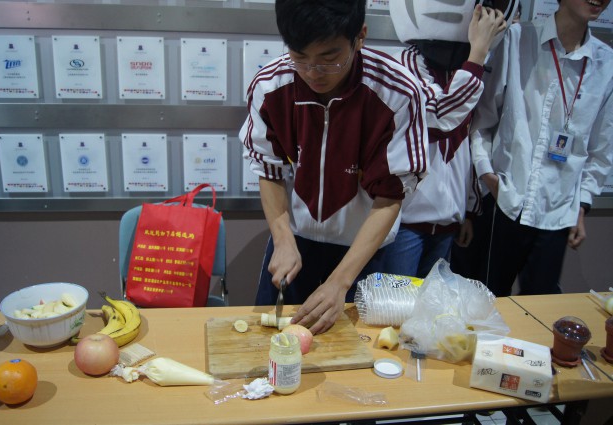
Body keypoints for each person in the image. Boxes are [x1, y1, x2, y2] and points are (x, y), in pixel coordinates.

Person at [239, 0, 427, 334]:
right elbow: (269, 170)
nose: (313, 72)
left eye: (329, 58)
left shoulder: (397, 93)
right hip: (295, 240)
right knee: (274, 340)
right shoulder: (271, 87)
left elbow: (390, 195)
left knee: (359, 348)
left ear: (360, 37)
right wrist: (282, 239)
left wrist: (340, 282)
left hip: (364, 248)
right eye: (299, 57)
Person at [471, 0, 613, 296]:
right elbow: (483, 116)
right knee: (485, 303)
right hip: (505, 199)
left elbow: (602, 148)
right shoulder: (518, 39)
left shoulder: (606, 63)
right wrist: (486, 175)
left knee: (539, 310)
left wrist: (582, 205)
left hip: (557, 210)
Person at [384, 2, 509, 278]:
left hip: (447, 222)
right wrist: (477, 55)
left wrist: (468, 210)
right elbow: (439, 119)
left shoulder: (466, 70)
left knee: (433, 302)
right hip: (404, 222)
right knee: (396, 300)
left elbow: (466, 142)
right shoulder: (404, 63)